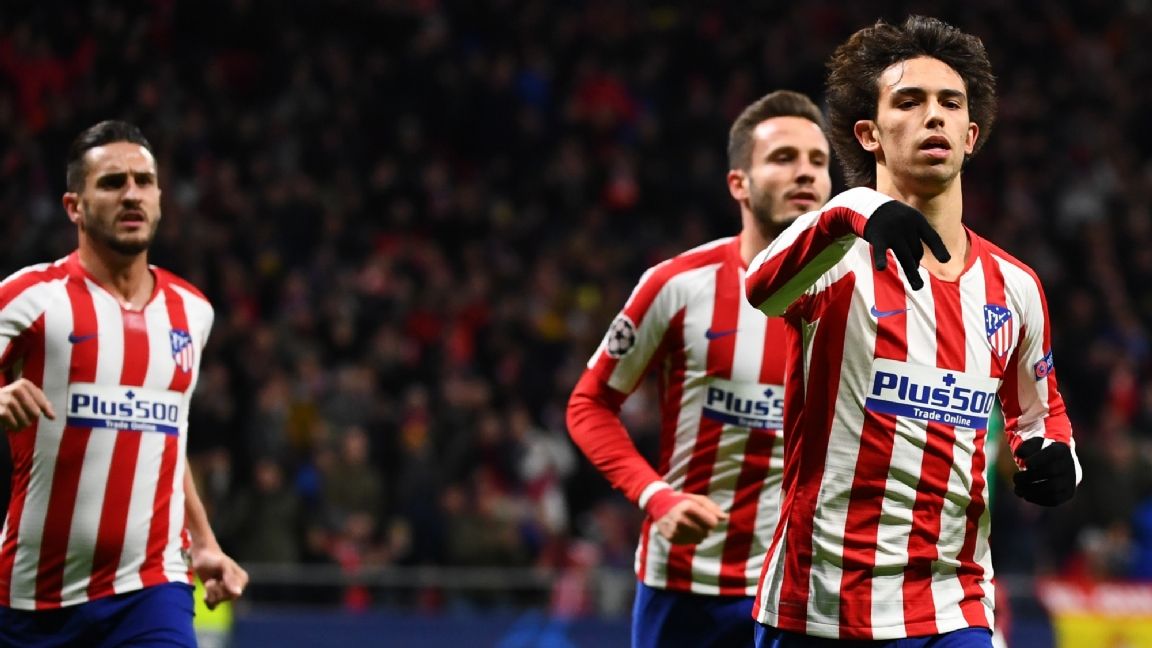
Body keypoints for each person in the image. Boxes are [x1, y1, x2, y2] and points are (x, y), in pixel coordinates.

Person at [743, 16, 1080, 647]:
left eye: (950, 103)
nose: (934, 117)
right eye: (909, 101)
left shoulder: (1016, 286)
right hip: (820, 607)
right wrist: (855, 210)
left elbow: (1040, 412)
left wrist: (1060, 458)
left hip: (952, 604)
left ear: (970, 136)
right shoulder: (832, 253)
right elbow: (762, 287)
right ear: (868, 133)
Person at [567, 90, 832, 647]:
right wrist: (655, 496)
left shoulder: (863, 300)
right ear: (739, 183)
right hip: (686, 585)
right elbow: (589, 403)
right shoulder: (678, 285)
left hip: (799, 591)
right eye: (783, 158)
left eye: (817, 160)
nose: (805, 172)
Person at [0, 120, 248, 647]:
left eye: (144, 182)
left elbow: (166, 441)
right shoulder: (29, 298)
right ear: (74, 207)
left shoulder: (192, 312)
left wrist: (204, 542)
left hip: (151, 587)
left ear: (159, 198)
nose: (132, 194)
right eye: (113, 183)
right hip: (31, 597)